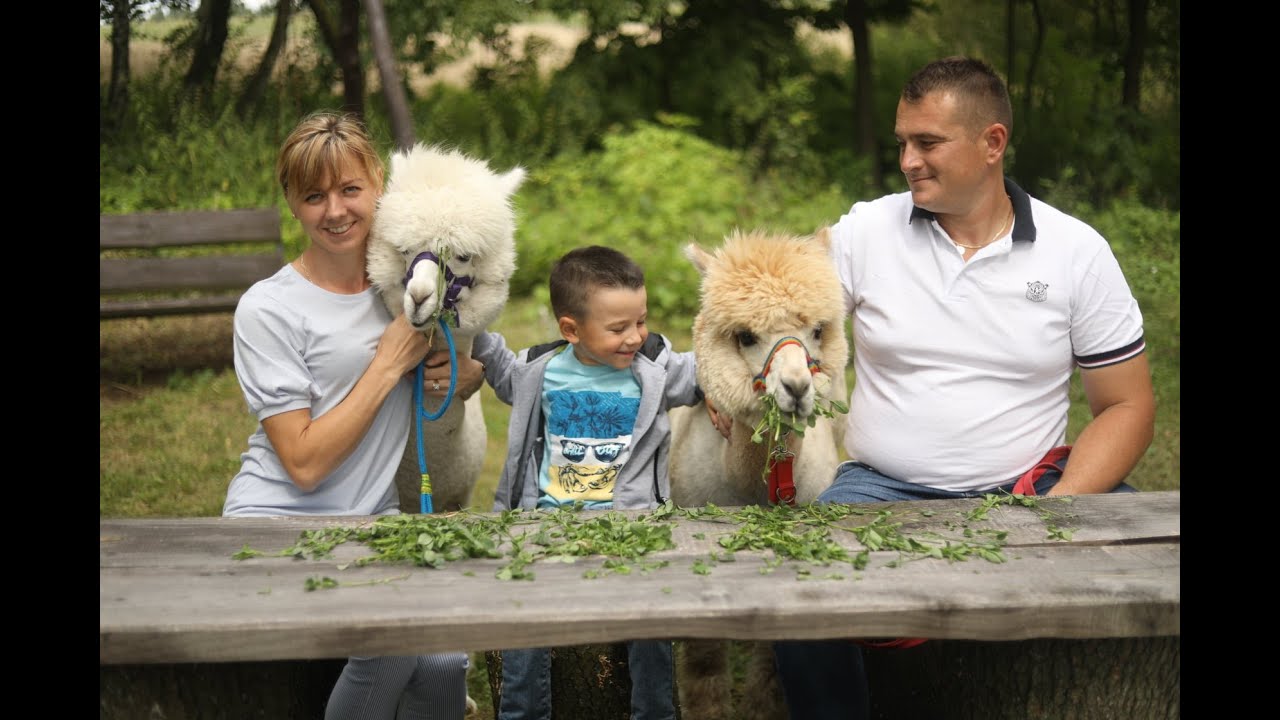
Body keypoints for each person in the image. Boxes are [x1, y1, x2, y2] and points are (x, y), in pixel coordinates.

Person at [709, 56, 1155, 719]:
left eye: (928, 143)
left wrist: (1060, 508)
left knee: (1152, 566)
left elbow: (1128, 404)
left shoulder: (1075, 252)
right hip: (881, 484)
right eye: (902, 143)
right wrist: (727, 387)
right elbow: (772, 319)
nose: (909, 160)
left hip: (1027, 486)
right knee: (797, 582)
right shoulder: (865, 231)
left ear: (992, 142)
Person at [223, 110, 485, 720]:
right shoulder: (268, 309)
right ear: (292, 203)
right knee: (392, 646)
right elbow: (304, 462)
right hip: (276, 522)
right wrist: (388, 365)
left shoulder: (407, 289)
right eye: (314, 196)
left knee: (446, 663)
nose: (335, 211)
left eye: (350, 190)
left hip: (371, 523)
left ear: (379, 186)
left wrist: (465, 375)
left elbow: (472, 338)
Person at [469, 245, 702, 720]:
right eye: (618, 328)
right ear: (570, 329)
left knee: (651, 619)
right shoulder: (539, 371)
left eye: (641, 321)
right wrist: (462, 308)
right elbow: (487, 349)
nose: (635, 336)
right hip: (548, 527)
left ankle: (655, 713)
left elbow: (714, 369)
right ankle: (522, 714)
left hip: (631, 528)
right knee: (523, 616)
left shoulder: (655, 368)